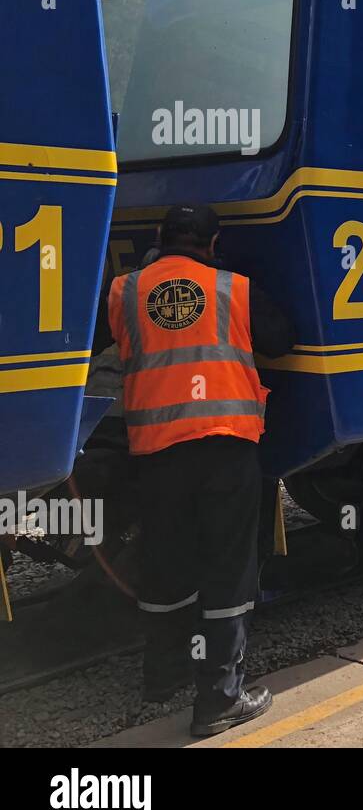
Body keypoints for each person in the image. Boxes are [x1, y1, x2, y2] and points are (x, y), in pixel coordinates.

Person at [106, 204, 293, 737]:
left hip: (155, 451)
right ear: (214, 245)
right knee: (228, 569)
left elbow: (99, 342)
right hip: (224, 448)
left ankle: (162, 676)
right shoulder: (234, 288)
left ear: (158, 241)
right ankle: (219, 699)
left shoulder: (124, 291)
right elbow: (284, 338)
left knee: (165, 560)